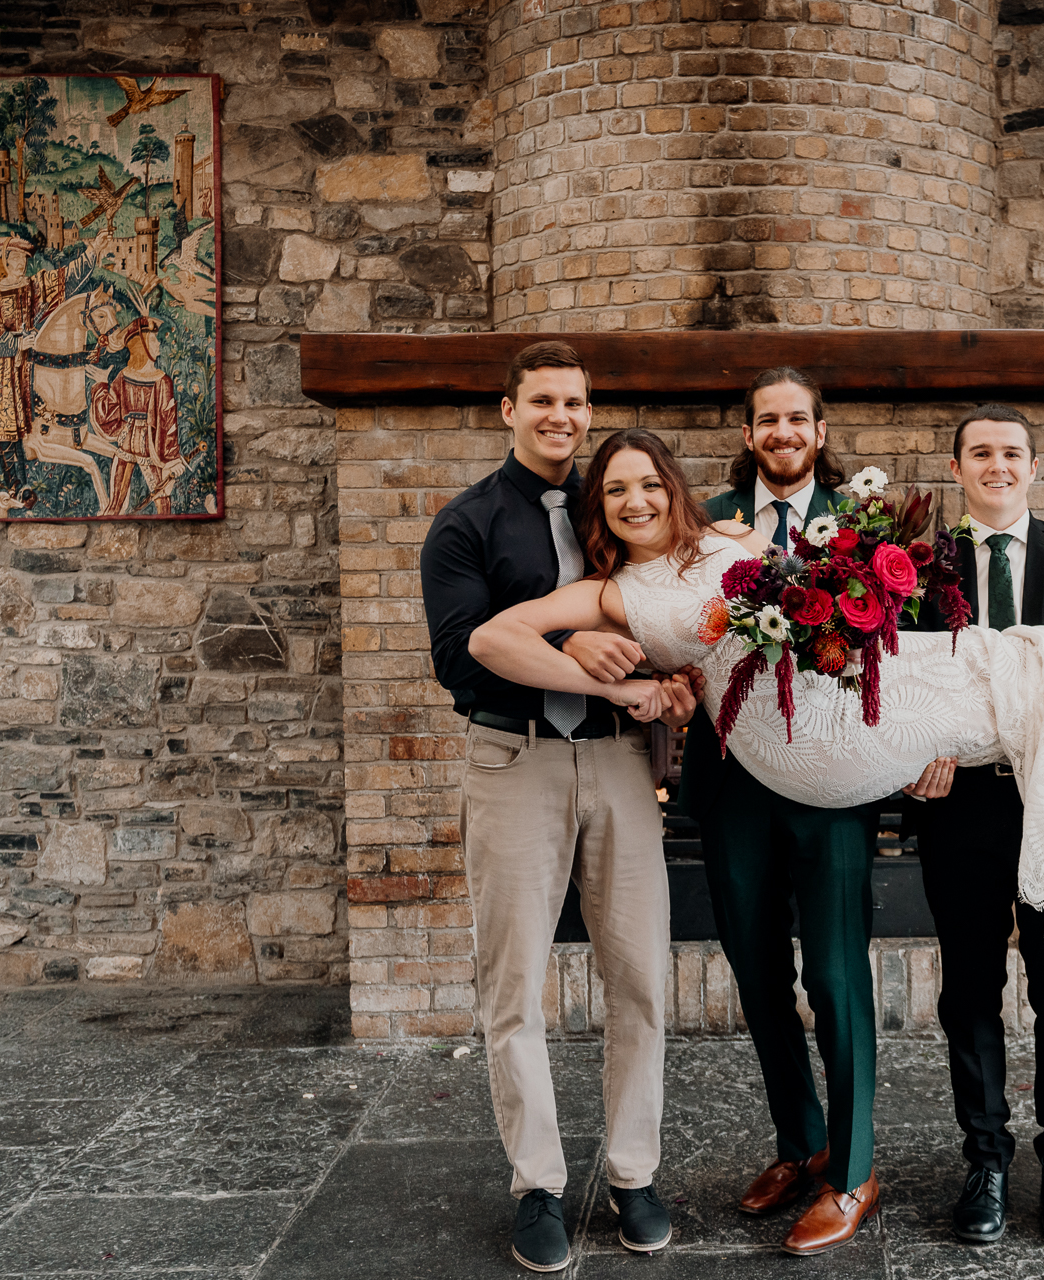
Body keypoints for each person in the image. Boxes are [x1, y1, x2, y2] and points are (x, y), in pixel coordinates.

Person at [469, 431, 1044, 1073]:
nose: (637, 501)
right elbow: (493, 640)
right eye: (617, 490)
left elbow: (821, 590)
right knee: (1016, 669)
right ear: (601, 509)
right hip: (798, 739)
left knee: (1022, 666)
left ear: (674, 488)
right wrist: (612, 681)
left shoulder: (733, 540)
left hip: (844, 691)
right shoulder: (606, 593)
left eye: (650, 484)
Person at [419, 341, 690, 1273]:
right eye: (542, 401)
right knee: (513, 987)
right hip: (515, 761)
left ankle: (632, 1172)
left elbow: (669, 616)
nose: (561, 417)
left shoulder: (619, 508)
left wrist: (670, 685)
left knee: (642, 980)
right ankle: (536, 1184)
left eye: (574, 402)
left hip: (620, 767)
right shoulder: (466, 525)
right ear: (509, 411)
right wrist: (588, 659)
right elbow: (464, 657)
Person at [670, 369, 886, 1254]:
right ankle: (801, 1144)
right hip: (732, 782)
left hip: (833, 783)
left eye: (798, 418)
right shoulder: (704, 522)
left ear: (821, 430)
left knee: (834, 978)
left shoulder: (870, 528)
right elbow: (678, 628)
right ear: (750, 432)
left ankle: (857, 1168)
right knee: (757, 974)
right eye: (768, 420)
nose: (783, 431)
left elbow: (907, 646)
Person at [900, 405, 1044, 1245]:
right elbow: (899, 683)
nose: (998, 465)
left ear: (1034, 468)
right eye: (980, 452)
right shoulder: (916, 566)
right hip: (960, 808)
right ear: (957, 469)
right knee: (969, 991)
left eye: (1012, 453)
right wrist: (916, 754)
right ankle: (984, 1163)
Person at [0, 226, 106, 508]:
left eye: (24, 259)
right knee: (4, 413)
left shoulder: (31, 286)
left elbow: (64, 279)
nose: (21, 264)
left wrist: (94, 250)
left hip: (26, 363)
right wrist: (16, 343)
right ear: (2, 261)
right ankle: (16, 483)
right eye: (15, 258)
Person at [87, 316, 183, 515]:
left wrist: (172, 460)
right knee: (115, 503)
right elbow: (109, 410)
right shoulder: (125, 376)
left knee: (162, 500)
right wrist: (101, 384)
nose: (158, 345)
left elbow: (167, 424)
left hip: (151, 448)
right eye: (154, 340)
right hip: (128, 442)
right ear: (143, 345)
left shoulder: (162, 381)